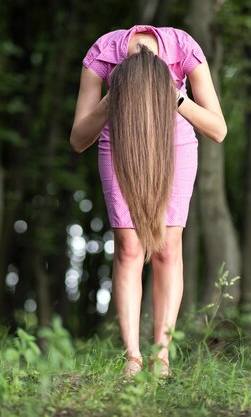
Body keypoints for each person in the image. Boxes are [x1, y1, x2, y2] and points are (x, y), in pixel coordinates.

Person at [70, 25, 226, 377]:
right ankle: (133, 358)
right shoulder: (103, 54)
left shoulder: (182, 49)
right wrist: (113, 100)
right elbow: (79, 139)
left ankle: (162, 357)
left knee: (168, 248)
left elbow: (218, 129)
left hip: (175, 147)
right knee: (128, 247)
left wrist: (177, 99)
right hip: (120, 145)